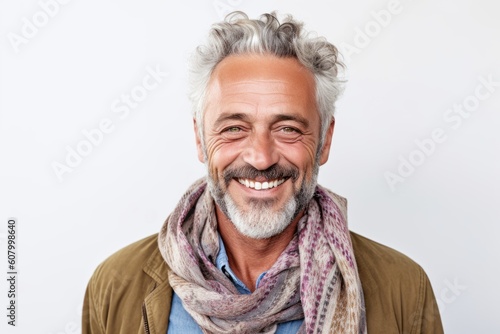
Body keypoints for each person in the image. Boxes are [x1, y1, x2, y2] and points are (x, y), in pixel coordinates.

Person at [82, 12, 443, 334]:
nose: (260, 157)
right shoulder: (116, 285)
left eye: (287, 128)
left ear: (325, 140)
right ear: (200, 138)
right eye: (234, 128)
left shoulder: (403, 288)